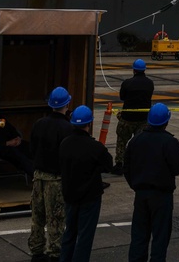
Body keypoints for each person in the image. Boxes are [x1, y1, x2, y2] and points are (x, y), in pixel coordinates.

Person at [125, 103, 179, 262]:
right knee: (160, 237)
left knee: (139, 236)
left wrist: (135, 185)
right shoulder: (169, 142)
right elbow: (178, 167)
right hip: (161, 195)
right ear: (166, 121)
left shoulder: (136, 141)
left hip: (141, 194)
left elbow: (127, 168)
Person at [59, 105, 114, 262]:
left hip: (70, 195)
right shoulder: (95, 147)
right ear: (89, 124)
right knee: (85, 236)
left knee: (69, 232)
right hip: (90, 198)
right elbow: (108, 165)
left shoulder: (65, 143)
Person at [28, 86, 75, 262]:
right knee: (55, 218)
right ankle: (55, 253)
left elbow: (31, 149)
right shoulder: (68, 128)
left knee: (37, 217)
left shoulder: (39, 124)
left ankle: (36, 251)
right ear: (67, 104)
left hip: (38, 176)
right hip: (56, 179)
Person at [113, 59, 154, 175]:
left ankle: (119, 164)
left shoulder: (127, 83)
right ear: (144, 69)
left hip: (127, 118)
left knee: (121, 141)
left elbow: (122, 97)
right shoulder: (150, 83)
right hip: (143, 119)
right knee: (140, 142)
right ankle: (138, 164)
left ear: (134, 69)